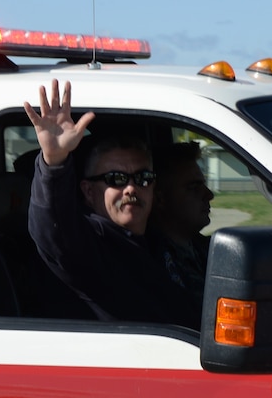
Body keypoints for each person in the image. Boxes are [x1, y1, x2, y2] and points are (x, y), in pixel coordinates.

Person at [22, 79, 198, 326]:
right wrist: (54, 162)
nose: (131, 188)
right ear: (89, 191)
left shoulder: (155, 241)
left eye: (143, 178)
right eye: (116, 179)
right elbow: (52, 228)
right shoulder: (89, 248)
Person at [150, 139, 214, 289]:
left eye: (203, 185)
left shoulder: (207, 249)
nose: (209, 195)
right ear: (160, 198)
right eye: (194, 187)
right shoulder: (155, 264)